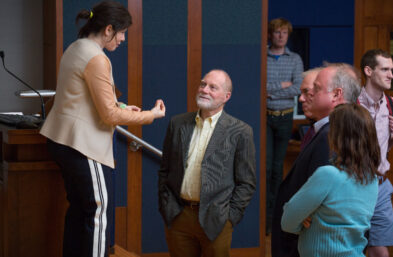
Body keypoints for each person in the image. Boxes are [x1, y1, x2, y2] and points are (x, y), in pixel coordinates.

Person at [40, 1, 166, 257]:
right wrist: (149, 115)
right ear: (108, 29)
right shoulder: (97, 58)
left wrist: (120, 105)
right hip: (82, 145)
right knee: (98, 210)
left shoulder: (76, 47)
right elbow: (108, 115)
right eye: (121, 33)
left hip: (61, 140)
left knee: (78, 208)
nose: (122, 39)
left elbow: (84, 96)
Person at [158, 69, 256, 257]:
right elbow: (165, 169)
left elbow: (246, 182)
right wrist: (166, 205)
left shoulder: (240, 131)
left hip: (217, 219)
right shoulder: (177, 123)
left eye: (213, 87)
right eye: (203, 84)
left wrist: (229, 218)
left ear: (226, 96)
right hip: (179, 215)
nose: (204, 90)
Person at [271, 64, 362, 257]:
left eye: (316, 89)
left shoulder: (332, 135)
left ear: (336, 94)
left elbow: (323, 203)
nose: (306, 96)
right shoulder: (328, 131)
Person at [281, 103, 380, 257]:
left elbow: (287, 222)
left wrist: (307, 217)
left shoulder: (327, 175)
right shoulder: (372, 179)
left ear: (338, 136)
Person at [358, 49, 393, 257]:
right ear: (369, 71)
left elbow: (382, 148)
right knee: (353, 247)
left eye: (392, 70)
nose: (391, 75)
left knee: (380, 250)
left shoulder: (392, 104)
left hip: (380, 186)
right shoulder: (352, 105)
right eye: (385, 69)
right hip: (354, 185)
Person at [266, 18, 303, 234]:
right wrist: (281, 85)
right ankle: (265, 219)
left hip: (285, 117)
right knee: (267, 167)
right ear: (270, 35)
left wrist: (271, 90)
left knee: (278, 169)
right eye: (277, 32)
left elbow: (297, 88)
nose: (280, 36)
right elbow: (258, 85)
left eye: (284, 33)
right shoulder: (262, 57)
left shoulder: (295, 59)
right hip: (266, 117)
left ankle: (276, 219)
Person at [298, 68, 322, 149]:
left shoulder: (336, 133)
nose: (301, 99)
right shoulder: (313, 130)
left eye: (306, 91)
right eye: (301, 93)